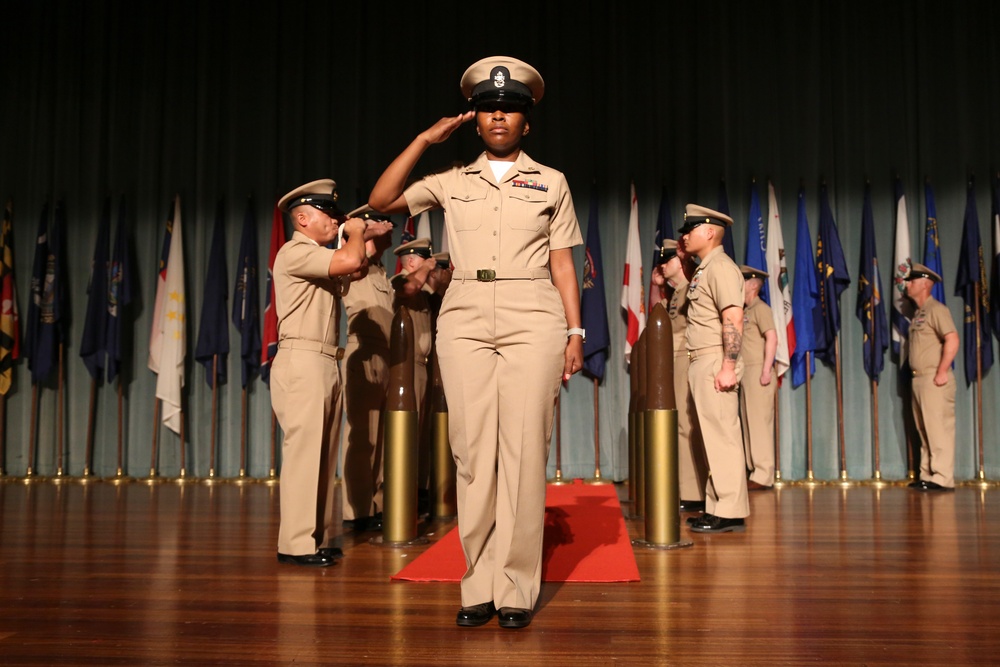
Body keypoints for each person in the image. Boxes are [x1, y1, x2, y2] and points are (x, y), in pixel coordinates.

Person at [369, 55, 584, 629]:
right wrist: (423, 139)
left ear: (525, 123)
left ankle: (516, 587)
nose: (498, 117)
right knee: (470, 453)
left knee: (522, 450)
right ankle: (478, 583)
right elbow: (384, 200)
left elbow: (563, 264)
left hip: (533, 311)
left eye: (510, 110)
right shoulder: (449, 181)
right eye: (489, 108)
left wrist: (575, 330)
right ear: (476, 118)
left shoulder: (552, 182)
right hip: (464, 310)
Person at [271, 179, 392, 566]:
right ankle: (295, 543)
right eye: (328, 214)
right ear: (303, 218)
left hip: (324, 359)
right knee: (305, 455)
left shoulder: (316, 256)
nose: (336, 220)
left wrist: (367, 239)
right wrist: (355, 231)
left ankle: (316, 536)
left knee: (322, 456)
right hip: (302, 359)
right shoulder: (295, 251)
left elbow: (355, 272)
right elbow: (350, 262)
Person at [679, 203, 748, 533]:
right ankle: (717, 505)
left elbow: (732, 317)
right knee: (712, 436)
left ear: (708, 231)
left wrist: (728, 365)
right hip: (702, 359)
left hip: (714, 359)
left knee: (723, 436)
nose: (685, 235)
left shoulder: (720, 267)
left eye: (690, 229)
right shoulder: (706, 268)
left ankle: (730, 510)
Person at [339, 206, 396, 532]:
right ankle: (356, 511)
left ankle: (375, 505)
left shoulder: (378, 270)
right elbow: (348, 244)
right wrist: (364, 230)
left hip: (386, 357)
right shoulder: (353, 261)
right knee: (363, 437)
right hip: (364, 353)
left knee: (382, 438)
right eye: (383, 223)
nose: (391, 228)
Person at [650, 238, 708, 512]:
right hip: (673, 361)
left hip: (686, 359)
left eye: (667, 259)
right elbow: (656, 320)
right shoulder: (676, 292)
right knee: (680, 426)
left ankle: (694, 492)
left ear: (682, 261)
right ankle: (687, 489)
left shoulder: (692, 289)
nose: (662, 264)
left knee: (687, 425)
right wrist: (657, 286)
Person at [903, 262, 958, 491]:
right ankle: (928, 474)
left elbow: (952, 339)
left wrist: (942, 371)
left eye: (912, 281)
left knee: (938, 429)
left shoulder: (937, 309)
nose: (907, 284)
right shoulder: (919, 314)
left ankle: (943, 477)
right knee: (924, 430)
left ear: (925, 284)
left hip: (934, 378)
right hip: (919, 379)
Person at [390, 237, 437, 507]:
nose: (430, 265)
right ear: (410, 261)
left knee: (421, 434)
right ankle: (401, 496)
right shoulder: (401, 281)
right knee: (406, 433)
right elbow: (409, 288)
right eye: (424, 259)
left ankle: (418, 491)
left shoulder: (425, 294)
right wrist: (427, 269)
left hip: (423, 366)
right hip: (405, 368)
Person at [738, 265, 777, 490]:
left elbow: (771, 338)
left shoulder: (761, 308)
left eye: (743, 281)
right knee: (748, 421)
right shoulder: (746, 310)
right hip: (746, 371)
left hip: (758, 370)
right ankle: (754, 471)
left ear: (753, 285)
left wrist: (765, 370)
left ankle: (763, 475)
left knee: (759, 424)